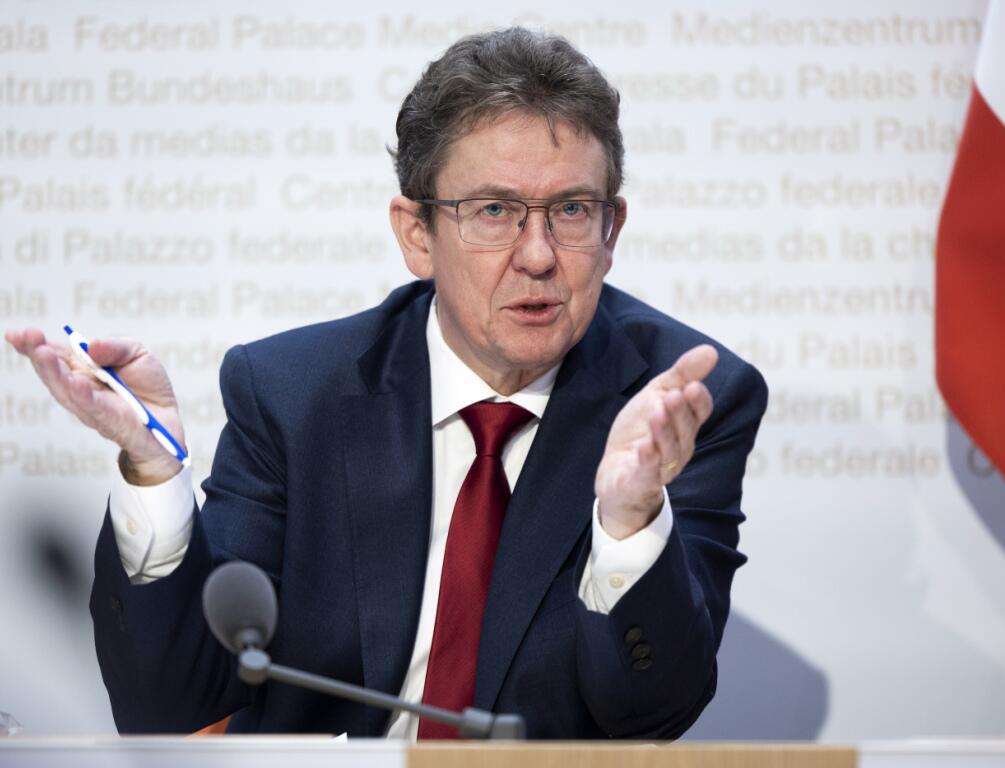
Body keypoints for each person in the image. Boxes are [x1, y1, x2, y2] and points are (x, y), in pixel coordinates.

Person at [5, 28, 767, 739]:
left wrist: (630, 522)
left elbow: (652, 714)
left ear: (611, 230)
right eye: (494, 210)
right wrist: (152, 472)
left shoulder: (678, 406)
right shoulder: (291, 396)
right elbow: (172, 705)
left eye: (571, 210)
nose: (538, 255)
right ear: (416, 235)